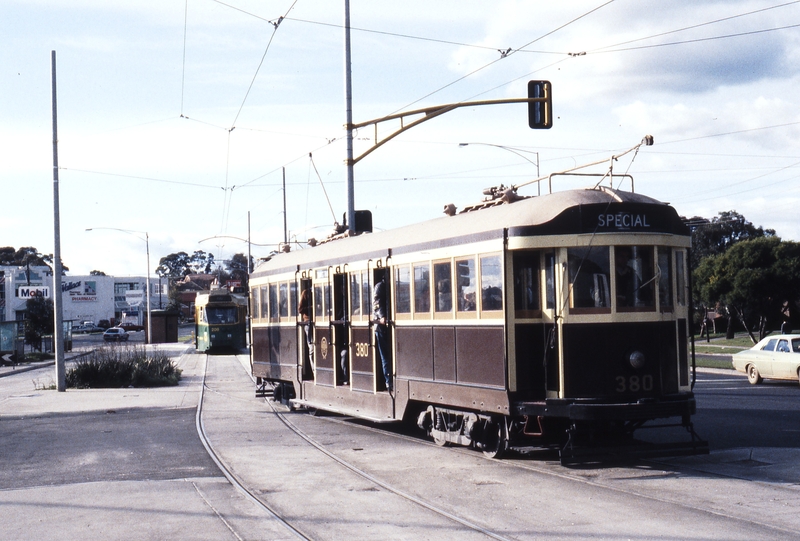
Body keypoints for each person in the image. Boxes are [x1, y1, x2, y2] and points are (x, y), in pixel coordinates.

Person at [373, 275, 392, 392]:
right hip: (380, 327)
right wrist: (382, 316)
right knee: (385, 356)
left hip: (388, 326)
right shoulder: (380, 286)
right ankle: (388, 382)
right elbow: (376, 302)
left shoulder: (389, 286)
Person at [298, 288, 313, 368]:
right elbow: (300, 309)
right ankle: (314, 371)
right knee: (312, 347)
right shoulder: (305, 293)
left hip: (317, 322)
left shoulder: (318, 291)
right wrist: (312, 307)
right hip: (308, 323)